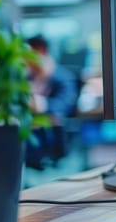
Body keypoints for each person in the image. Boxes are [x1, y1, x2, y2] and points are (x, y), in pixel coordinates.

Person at [26, 35, 78, 169]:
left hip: (49, 133)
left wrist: (41, 104)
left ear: (41, 51)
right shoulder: (27, 77)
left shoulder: (63, 77)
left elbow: (64, 105)